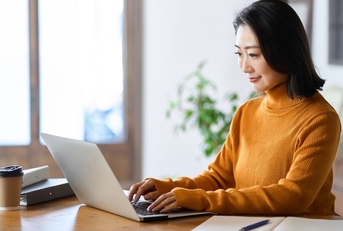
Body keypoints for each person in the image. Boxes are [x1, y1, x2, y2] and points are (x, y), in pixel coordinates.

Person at [128, 0, 341, 216]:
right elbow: (219, 178)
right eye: (239, 53)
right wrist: (166, 188)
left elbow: (293, 196)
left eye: (254, 54)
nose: (244, 66)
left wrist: (199, 199)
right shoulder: (247, 112)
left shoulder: (321, 119)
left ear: (286, 51)